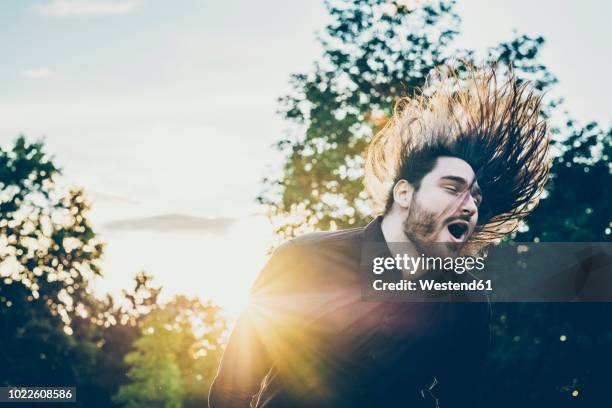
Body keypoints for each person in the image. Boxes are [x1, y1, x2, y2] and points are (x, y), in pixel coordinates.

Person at [209, 65, 550, 408]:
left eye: (477, 199)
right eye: (452, 188)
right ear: (404, 193)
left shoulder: (467, 305)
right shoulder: (303, 258)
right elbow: (233, 390)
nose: (468, 206)